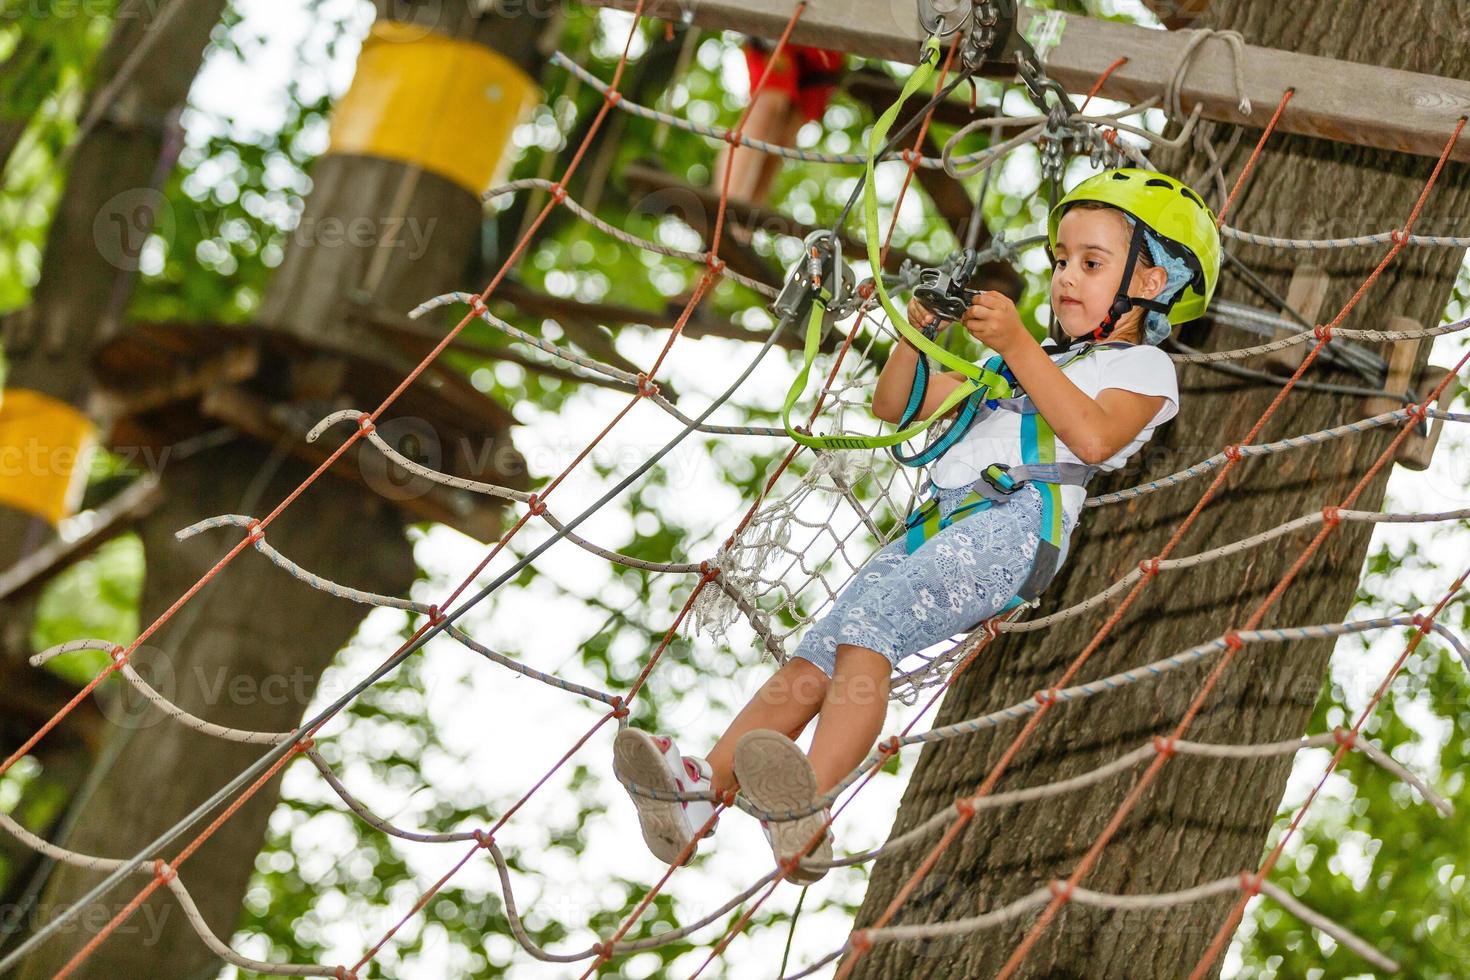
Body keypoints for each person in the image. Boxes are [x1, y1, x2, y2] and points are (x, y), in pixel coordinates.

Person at [612, 168, 1221, 882]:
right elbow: (894, 401)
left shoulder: (1145, 368)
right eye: (1060, 260)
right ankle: (700, 792)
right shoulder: (1019, 364)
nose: (1065, 278)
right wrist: (921, 332)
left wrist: (1021, 347)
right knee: (820, 650)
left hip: (1015, 526)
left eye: (1091, 263)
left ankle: (807, 800)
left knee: (873, 626)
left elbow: (1091, 439)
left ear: (1151, 285)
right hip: (936, 524)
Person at [713, 37, 846, 208]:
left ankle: (742, 225)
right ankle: (726, 206)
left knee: (786, 134)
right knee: (768, 107)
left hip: (824, 50)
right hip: (784, 32)